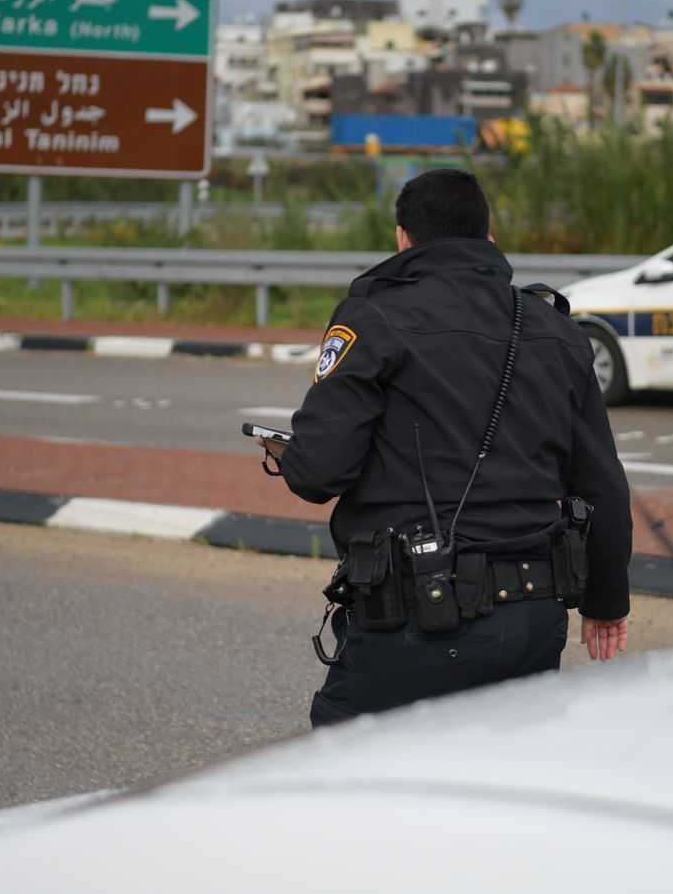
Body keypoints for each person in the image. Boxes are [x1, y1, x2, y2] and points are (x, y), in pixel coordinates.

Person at [254, 168, 631, 727]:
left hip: (420, 615)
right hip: (534, 616)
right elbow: (602, 484)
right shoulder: (558, 332)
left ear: (403, 238)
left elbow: (318, 474)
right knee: (497, 784)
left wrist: (292, 455)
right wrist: (605, 602)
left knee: (347, 773)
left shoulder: (374, 317)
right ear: (489, 238)